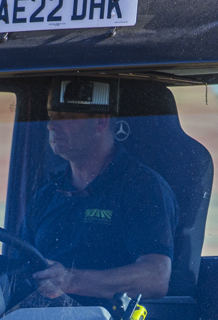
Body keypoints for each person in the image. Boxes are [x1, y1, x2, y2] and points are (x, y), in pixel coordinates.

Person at [23, 83, 178, 302]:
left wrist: (70, 281)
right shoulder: (46, 196)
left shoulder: (142, 187)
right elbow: (17, 269)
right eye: (51, 116)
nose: (51, 125)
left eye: (65, 117)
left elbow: (155, 278)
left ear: (100, 122)